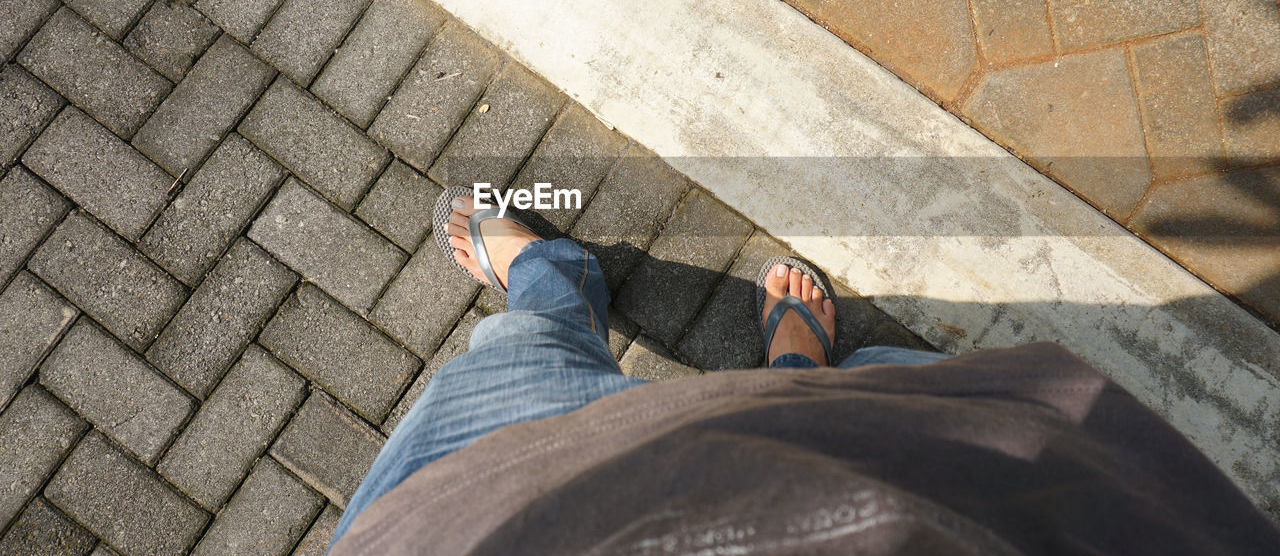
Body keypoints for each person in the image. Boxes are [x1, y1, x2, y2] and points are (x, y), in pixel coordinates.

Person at [329, 189, 1280, 555]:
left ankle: (556, 278)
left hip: (468, 512)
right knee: (894, 398)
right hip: (936, 491)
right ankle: (800, 368)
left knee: (528, 345)